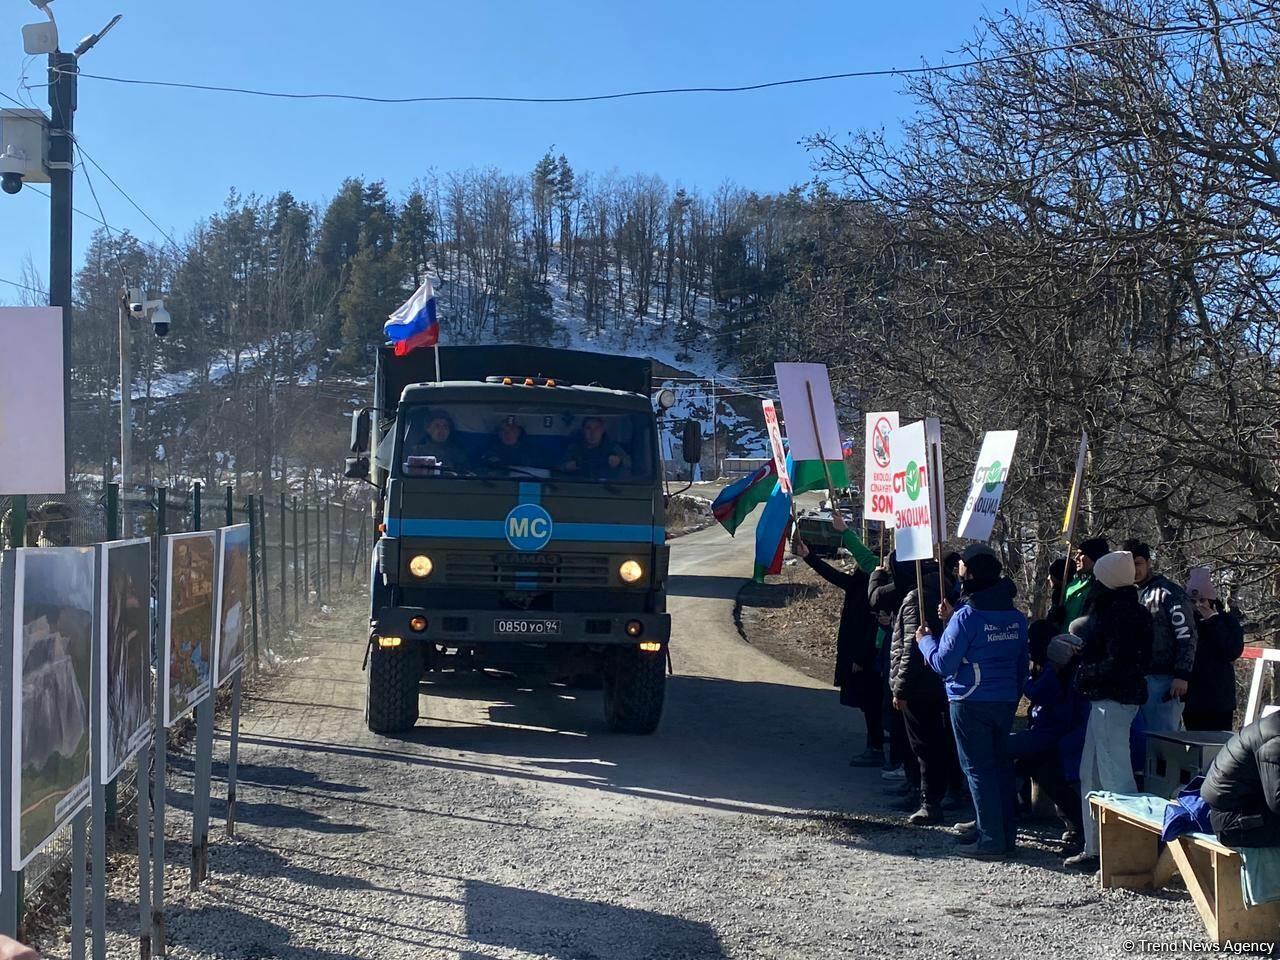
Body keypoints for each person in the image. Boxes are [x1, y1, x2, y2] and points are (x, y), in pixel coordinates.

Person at [917, 543, 1029, 859]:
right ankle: (1003, 834)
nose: (958, 570)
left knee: (978, 769)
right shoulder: (1016, 617)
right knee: (1001, 767)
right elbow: (1021, 664)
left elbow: (943, 663)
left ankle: (991, 840)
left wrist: (925, 642)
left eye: (962, 566)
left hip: (969, 700)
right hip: (1005, 700)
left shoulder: (967, 617)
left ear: (971, 572)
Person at [1065, 550, 1154, 870]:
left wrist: (1084, 670)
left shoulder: (1119, 614)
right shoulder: (1126, 611)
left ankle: (1128, 854)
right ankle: (1096, 847)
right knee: (1091, 773)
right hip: (1109, 699)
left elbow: (1118, 662)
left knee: (1115, 777)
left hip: (1113, 699)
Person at [792, 511, 881, 766]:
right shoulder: (861, 581)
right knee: (868, 703)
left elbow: (872, 625)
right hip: (857, 650)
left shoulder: (878, 584)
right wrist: (809, 556)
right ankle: (875, 743)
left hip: (867, 654)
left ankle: (876, 747)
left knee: (872, 702)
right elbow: (836, 578)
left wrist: (860, 658)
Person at [889, 553, 964, 826]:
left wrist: (900, 688)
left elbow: (911, 647)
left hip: (921, 685)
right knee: (939, 742)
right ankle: (943, 792)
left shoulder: (916, 598)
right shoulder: (946, 593)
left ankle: (928, 801)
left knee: (923, 745)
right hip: (941, 681)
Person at [1012, 621, 1089, 851]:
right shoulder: (1073, 672)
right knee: (1032, 766)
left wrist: (1031, 673)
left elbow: (1037, 693)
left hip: (1058, 740)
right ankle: (1074, 825)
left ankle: (996, 817)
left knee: (1006, 752)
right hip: (1056, 738)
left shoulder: (1063, 674)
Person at [1124, 539, 1198, 733]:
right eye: (1129, 564)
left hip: (1163, 680)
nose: (1134, 569)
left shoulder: (1169, 593)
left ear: (1149, 563)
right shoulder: (1123, 594)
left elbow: (1186, 635)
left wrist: (1182, 675)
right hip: (1132, 679)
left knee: (1161, 738)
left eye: (1138, 563)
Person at [1199, 713, 1280, 846]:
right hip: (1232, 821)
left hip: (1243, 808)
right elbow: (1277, 801)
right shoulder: (1274, 742)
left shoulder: (1273, 727)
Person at [1182, 566, 1245, 733]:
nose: (1197, 605)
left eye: (1202, 600)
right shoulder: (1185, 622)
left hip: (1219, 700)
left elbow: (1232, 651)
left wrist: (1212, 620)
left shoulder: (1227, 621)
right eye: (1193, 601)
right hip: (1193, 700)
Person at [1055, 537, 1109, 628]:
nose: (1076, 557)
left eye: (1081, 554)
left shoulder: (1105, 585)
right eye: (1076, 554)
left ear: (1094, 557)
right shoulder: (1072, 584)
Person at [562, 417, 631, 478]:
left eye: (597, 428)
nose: (592, 433)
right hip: (579, 486)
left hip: (607, 487)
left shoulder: (613, 447)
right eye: (588, 428)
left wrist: (619, 461)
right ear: (583, 430)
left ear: (602, 430)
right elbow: (560, 466)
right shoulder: (574, 448)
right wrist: (566, 467)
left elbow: (629, 464)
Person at [406, 410, 471, 472]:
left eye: (445, 426)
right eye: (437, 426)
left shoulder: (457, 452)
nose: (442, 430)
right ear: (428, 429)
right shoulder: (418, 451)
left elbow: (465, 473)